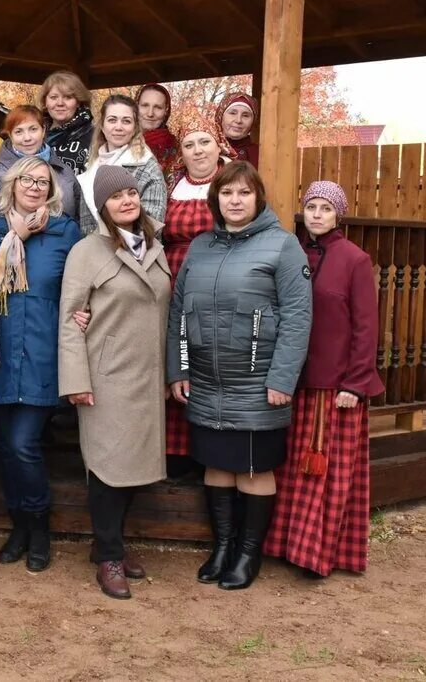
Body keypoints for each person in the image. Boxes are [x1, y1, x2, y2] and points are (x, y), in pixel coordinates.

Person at [167, 161, 312, 591]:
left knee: (252, 469)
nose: (235, 201)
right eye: (227, 193)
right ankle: (223, 547)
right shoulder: (201, 246)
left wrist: (282, 378)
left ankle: (249, 555)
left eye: (244, 193)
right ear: (216, 199)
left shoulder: (283, 246)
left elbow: (298, 317)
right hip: (206, 381)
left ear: (258, 198)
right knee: (216, 466)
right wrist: (179, 367)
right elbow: (178, 312)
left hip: (257, 382)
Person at [59, 166, 171, 600]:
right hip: (104, 378)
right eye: (116, 196)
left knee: (133, 470)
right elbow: (71, 319)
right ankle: (108, 555)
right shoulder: (87, 251)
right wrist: (75, 380)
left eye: (131, 193)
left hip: (146, 376)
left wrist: (168, 373)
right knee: (106, 469)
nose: (126, 201)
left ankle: (111, 546)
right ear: (101, 207)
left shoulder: (154, 246)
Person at [265, 182, 383, 577]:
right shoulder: (291, 252)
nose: (316, 214)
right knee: (290, 469)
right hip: (292, 379)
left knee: (325, 471)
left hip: (335, 386)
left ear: (338, 215)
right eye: (310, 207)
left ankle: (317, 555)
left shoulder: (355, 260)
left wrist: (355, 383)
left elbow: (366, 328)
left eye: (325, 208)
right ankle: (286, 545)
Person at [0, 156, 81, 572]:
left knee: (24, 444)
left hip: (43, 352)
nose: (36, 187)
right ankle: (18, 526)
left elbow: (81, 285)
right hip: (0, 352)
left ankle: (39, 528)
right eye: (28, 179)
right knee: (6, 447)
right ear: (12, 183)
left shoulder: (65, 232)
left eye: (43, 181)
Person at [161, 125, 237, 461]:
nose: (198, 150)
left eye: (204, 142)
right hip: (172, 277)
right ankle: (173, 451)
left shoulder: (232, 184)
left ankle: (208, 448)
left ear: (217, 146)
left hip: (215, 279)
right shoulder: (169, 185)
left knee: (207, 356)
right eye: (189, 145)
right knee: (174, 355)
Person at [0, 104, 81, 227]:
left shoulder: (64, 171)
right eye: (19, 131)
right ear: (10, 135)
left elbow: (79, 219)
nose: (27, 138)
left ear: (43, 130)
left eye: (33, 129)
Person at [76, 95, 167, 235]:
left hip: (135, 252)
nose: (119, 127)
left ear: (135, 127)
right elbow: (85, 226)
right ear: (102, 125)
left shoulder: (147, 167)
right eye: (112, 120)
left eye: (126, 121)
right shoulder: (91, 167)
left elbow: (150, 226)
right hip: (94, 252)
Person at [40, 70, 94, 174]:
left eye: (68, 97)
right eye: (53, 97)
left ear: (78, 102)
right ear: (45, 102)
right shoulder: (34, 133)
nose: (60, 103)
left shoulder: (94, 135)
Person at [137, 83, 180, 179]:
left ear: (166, 111)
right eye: (145, 105)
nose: (150, 113)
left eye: (158, 107)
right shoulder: (121, 140)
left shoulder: (175, 147)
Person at [217, 93, 259, 167]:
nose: (238, 120)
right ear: (221, 117)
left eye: (245, 115)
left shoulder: (260, 154)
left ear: (253, 121)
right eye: (232, 113)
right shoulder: (209, 149)